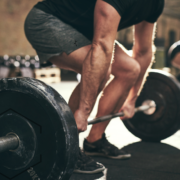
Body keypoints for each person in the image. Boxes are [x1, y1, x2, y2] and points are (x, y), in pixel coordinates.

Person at [24, 0, 164, 174]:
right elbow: (102, 46)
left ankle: (94, 141)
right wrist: (83, 111)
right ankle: (66, 148)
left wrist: (132, 99)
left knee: (130, 69)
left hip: (82, 32)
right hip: (49, 21)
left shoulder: (156, 3)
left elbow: (143, 51)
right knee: (100, 71)